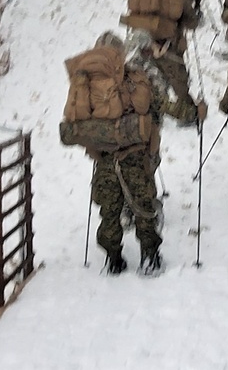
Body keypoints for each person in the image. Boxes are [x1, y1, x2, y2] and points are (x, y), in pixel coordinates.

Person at [60, 31, 162, 275]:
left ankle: (113, 259)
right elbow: (154, 108)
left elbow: (79, 119)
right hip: (135, 155)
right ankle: (149, 257)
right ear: (121, 54)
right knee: (143, 207)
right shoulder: (134, 76)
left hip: (105, 158)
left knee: (109, 211)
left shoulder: (86, 81)